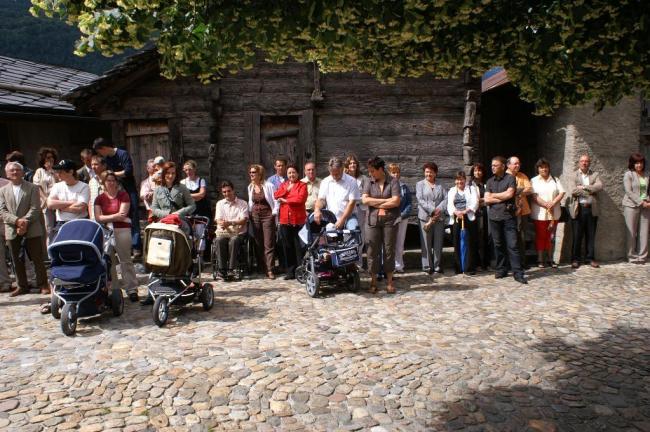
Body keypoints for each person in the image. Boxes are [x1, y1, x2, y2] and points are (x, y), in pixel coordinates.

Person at [0, 162, 48, 296]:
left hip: (32, 227)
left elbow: (35, 208)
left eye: (17, 170)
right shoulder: (3, 190)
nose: (15, 172)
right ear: (7, 174)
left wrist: (24, 221)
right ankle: (22, 286)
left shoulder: (32, 187)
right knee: (16, 259)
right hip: (12, 228)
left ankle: (43, 284)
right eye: (12, 170)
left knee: (37, 258)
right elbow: (2, 210)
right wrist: (16, 221)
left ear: (22, 172)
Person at [94, 171, 139, 302]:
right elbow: (98, 218)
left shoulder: (123, 195)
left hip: (122, 230)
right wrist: (115, 216)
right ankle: (115, 290)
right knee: (110, 262)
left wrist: (107, 217)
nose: (111, 183)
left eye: (113, 180)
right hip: (106, 232)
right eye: (108, 180)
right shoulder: (99, 198)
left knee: (126, 260)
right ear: (104, 182)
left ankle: (131, 289)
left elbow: (123, 215)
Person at [93, 137, 142, 256]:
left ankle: (136, 246)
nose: (100, 154)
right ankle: (121, 246)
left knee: (133, 215)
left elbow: (128, 171)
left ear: (104, 148)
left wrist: (112, 174)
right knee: (118, 216)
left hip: (129, 189)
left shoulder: (122, 154)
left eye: (99, 151)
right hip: (115, 190)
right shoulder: (107, 159)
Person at [485, 156, 527, 284]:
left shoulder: (510, 178)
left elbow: (509, 194)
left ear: (503, 166)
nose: (492, 167)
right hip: (494, 217)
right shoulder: (490, 181)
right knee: (498, 245)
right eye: (492, 165)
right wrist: (501, 197)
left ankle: (518, 273)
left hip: (508, 217)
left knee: (512, 245)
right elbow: (486, 199)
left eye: (495, 165)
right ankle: (501, 269)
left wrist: (493, 195)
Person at [362, 157, 400, 293]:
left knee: (389, 250)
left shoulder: (393, 181)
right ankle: (373, 282)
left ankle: (389, 282)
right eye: (369, 171)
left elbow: (396, 201)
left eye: (373, 171)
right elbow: (365, 200)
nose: (371, 173)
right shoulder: (368, 181)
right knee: (372, 251)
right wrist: (385, 201)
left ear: (380, 169)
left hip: (390, 221)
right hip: (372, 221)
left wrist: (375, 202)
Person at [565, 154, 603, 268]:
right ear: (579, 163)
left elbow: (599, 186)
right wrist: (590, 191)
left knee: (591, 235)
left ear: (589, 163)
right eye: (582, 161)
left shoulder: (595, 174)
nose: (584, 163)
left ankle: (590, 258)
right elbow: (573, 190)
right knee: (577, 235)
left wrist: (584, 187)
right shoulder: (573, 175)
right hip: (578, 209)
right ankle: (575, 259)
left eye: (586, 161)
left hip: (591, 209)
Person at [274, 164, 308, 280]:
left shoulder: (302, 185)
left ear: (298, 174)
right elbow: (276, 195)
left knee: (298, 247)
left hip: (298, 220)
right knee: (287, 247)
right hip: (285, 220)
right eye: (289, 173)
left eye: (293, 172)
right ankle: (290, 272)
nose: (291, 175)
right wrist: (286, 190)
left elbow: (300, 199)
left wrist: (285, 200)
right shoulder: (284, 185)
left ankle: (301, 271)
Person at [530, 158, 565, 268]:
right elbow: (534, 196)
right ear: (538, 169)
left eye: (546, 167)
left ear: (549, 168)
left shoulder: (555, 179)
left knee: (551, 236)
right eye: (541, 167)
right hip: (540, 213)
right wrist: (546, 204)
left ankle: (550, 258)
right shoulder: (533, 180)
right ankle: (540, 259)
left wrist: (553, 203)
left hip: (554, 213)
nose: (544, 169)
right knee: (541, 236)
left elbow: (562, 192)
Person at [214, 181, 249, 279]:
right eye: (224, 192)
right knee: (219, 240)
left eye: (229, 191)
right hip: (224, 232)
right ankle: (222, 269)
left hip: (238, 233)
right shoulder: (220, 204)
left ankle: (231, 269)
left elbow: (244, 220)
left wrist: (230, 223)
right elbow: (218, 219)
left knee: (234, 240)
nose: (227, 193)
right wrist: (222, 223)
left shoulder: (242, 203)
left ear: (233, 190)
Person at [416, 162, 447, 274]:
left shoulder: (441, 185)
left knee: (438, 243)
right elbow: (420, 200)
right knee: (426, 243)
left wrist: (438, 209)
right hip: (425, 217)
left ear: (435, 173)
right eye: (426, 172)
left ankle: (437, 266)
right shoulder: (420, 184)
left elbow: (446, 198)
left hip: (439, 217)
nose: (428, 174)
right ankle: (427, 266)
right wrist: (432, 210)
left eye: (431, 172)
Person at [248, 164, 278, 279]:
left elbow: (276, 200)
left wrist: (274, 213)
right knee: (258, 242)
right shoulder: (250, 187)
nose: (251, 174)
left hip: (267, 215)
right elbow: (251, 202)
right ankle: (261, 267)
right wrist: (249, 213)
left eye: (254, 172)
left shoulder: (269, 186)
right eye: (250, 172)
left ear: (260, 174)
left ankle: (270, 269)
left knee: (268, 243)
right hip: (255, 216)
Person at [314, 157, 361, 230]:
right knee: (325, 232)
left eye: (337, 174)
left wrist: (342, 220)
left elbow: (351, 203)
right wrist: (317, 209)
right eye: (333, 174)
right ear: (329, 171)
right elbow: (321, 199)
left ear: (342, 169)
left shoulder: (352, 181)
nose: (335, 176)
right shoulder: (325, 182)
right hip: (331, 217)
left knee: (354, 230)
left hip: (349, 216)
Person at [447, 171, 479, 275]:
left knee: (470, 242)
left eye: (461, 179)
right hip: (456, 218)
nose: (459, 181)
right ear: (455, 181)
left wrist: (465, 211)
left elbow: (475, 202)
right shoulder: (452, 190)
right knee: (457, 242)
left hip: (468, 217)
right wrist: (456, 212)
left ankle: (469, 267)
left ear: (465, 179)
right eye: (457, 179)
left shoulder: (471, 189)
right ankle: (459, 267)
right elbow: (449, 205)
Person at [622, 153, 650, 264]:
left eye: (641, 163)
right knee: (631, 233)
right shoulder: (628, 174)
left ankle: (643, 256)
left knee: (644, 232)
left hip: (646, 206)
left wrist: (648, 201)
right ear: (632, 164)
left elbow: (648, 191)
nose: (639, 165)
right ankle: (632, 256)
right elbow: (628, 191)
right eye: (637, 163)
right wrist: (641, 202)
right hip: (631, 206)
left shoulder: (647, 175)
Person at [47, 160, 90, 231]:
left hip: (79, 223)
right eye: (57, 172)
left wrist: (61, 208)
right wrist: (71, 202)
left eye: (61, 172)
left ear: (71, 172)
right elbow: (50, 204)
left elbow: (81, 208)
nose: (58, 174)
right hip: (61, 223)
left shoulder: (84, 186)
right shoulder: (57, 186)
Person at [506, 156, 533, 268]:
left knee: (521, 237)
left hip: (523, 211)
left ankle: (522, 262)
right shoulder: (504, 176)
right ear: (508, 165)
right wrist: (519, 191)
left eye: (518, 163)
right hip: (508, 212)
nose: (517, 165)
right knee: (509, 237)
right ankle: (510, 262)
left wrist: (517, 192)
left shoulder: (522, 176)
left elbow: (529, 189)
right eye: (515, 163)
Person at [387, 163, 412, 273]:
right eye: (393, 172)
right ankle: (389, 266)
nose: (396, 174)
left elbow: (409, 203)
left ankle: (399, 265)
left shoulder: (404, 187)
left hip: (402, 218)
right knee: (389, 243)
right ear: (389, 173)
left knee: (400, 243)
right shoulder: (386, 186)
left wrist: (401, 215)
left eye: (397, 172)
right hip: (389, 218)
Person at [32, 147, 58, 244]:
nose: (50, 159)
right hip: (46, 204)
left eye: (52, 157)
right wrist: (46, 199)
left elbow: (61, 182)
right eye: (47, 157)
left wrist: (52, 171)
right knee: (49, 229)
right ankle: (50, 250)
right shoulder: (39, 171)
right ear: (43, 159)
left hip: (58, 202)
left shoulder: (57, 170)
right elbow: (37, 186)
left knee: (60, 227)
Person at [468, 162, 490, 270]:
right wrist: (480, 201)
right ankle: (476, 263)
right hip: (474, 213)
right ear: (473, 172)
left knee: (485, 237)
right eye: (476, 170)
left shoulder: (486, 184)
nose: (478, 172)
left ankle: (485, 263)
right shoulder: (469, 185)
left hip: (485, 213)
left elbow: (489, 198)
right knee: (475, 237)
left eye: (480, 170)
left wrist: (481, 200)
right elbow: (471, 200)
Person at [345, 154, 369, 243]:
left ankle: (359, 251)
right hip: (347, 208)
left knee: (360, 230)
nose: (352, 165)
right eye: (350, 163)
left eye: (354, 163)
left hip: (360, 208)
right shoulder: (344, 178)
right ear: (347, 165)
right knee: (348, 230)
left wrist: (356, 199)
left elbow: (366, 195)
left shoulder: (363, 178)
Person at [0, 175, 11, 292]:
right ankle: (4, 283)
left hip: (9, 222)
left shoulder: (7, 183)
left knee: (18, 253)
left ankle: (29, 280)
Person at [87, 155, 107, 220]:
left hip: (108, 217)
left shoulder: (111, 180)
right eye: (92, 164)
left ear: (104, 166)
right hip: (94, 218)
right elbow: (90, 200)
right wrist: (91, 217)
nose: (93, 167)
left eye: (96, 164)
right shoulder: (91, 181)